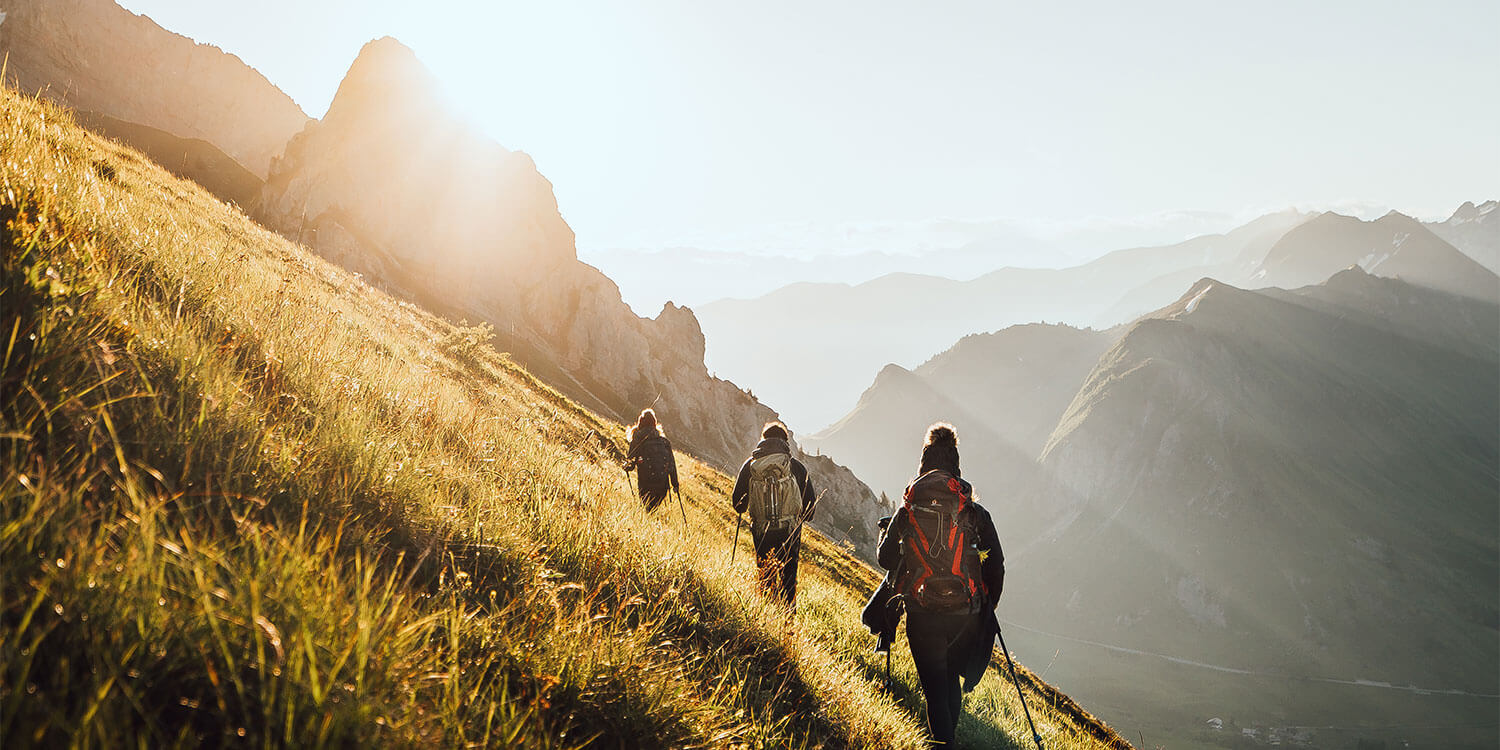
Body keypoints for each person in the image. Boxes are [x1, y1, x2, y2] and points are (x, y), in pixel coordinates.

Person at [878, 423, 1004, 748]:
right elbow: (997, 564)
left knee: (936, 687)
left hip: (922, 612)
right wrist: (986, 605)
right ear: (955, 462)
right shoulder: (974, 511)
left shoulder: (908, 508)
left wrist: (888, 535)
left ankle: (944, 743)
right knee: (949, 679)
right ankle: (948, 741)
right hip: (964, 612)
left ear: (924, 460)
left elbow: (885, 559)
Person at [731, 421, 816, 608]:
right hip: (789, 531)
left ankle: (767, 614)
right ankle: (787, 621)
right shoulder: (796, 467)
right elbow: (810, 509)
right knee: (788, 577)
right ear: (785, 442)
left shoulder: (751, 465)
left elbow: (738, 503)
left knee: (766, 573)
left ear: (763, 440)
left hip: (762, 530)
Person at [625, 409, 678, 512]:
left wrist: (627, 467)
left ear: (640, 422)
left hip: (646, 483)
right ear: (654, 423)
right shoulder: (664, 442)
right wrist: (675, 484)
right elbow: (672, 465)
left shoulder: (637, 439)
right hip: (662, 486)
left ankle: (645, 524)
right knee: (652, 510)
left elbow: (630, 461)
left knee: (646, 508)